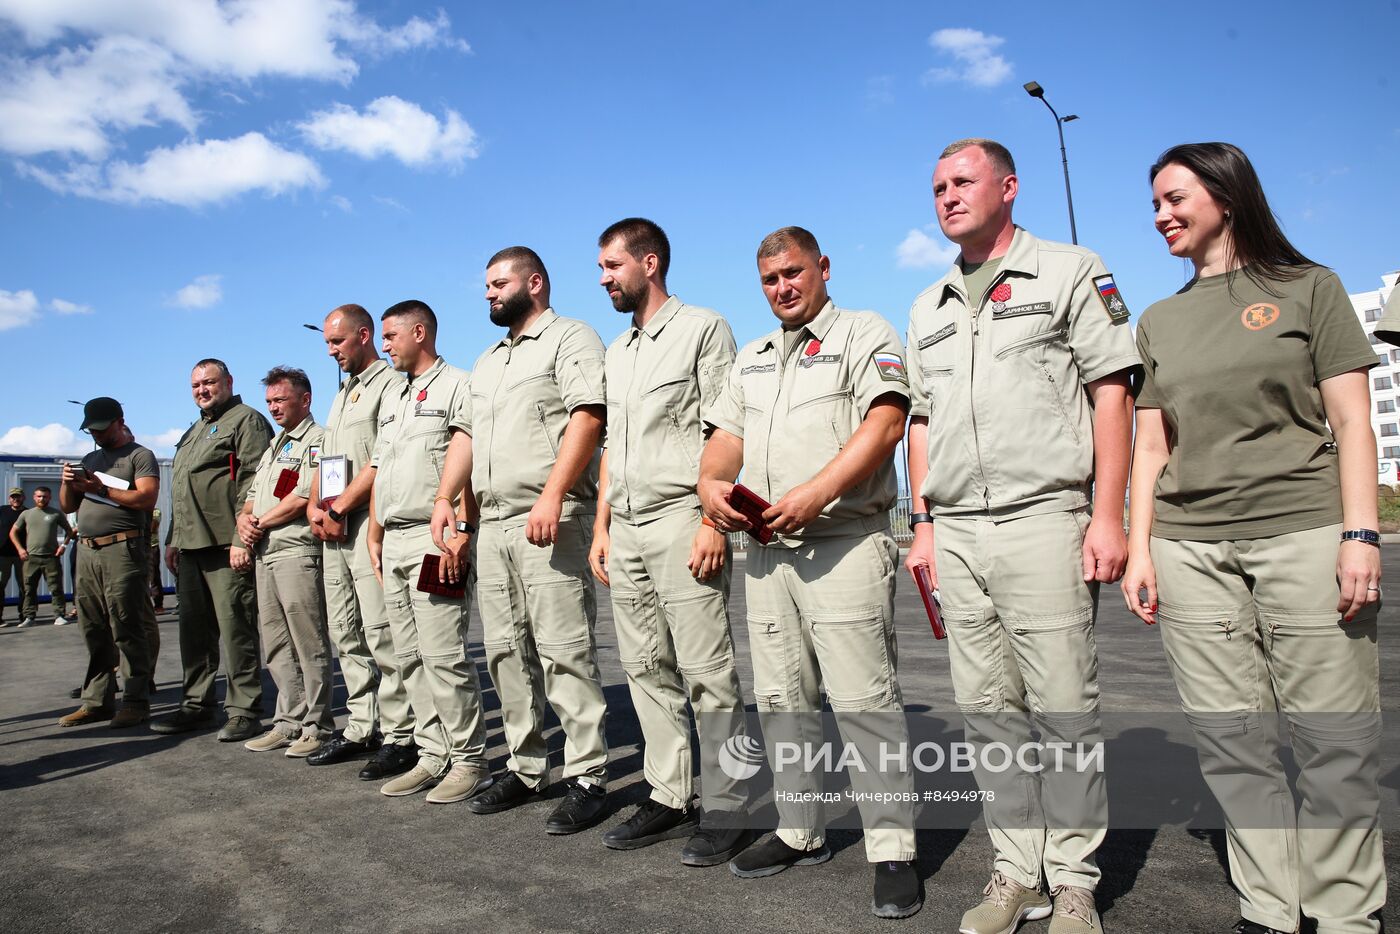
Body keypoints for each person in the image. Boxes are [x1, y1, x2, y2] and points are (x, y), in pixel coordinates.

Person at [1122, 142, 1387, 934]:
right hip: (1191, 549)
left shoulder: (1310, 288)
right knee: (1232, 743)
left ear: (1226, 196)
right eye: (1156, 204)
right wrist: (1141, 547)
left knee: (1332, 739)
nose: (1161, 215)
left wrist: (1361, 533)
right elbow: (1152, 447)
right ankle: (1270, 909)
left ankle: (1344, 915)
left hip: (1305, 534)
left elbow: (1351, 420)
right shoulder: (1160, 318)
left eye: (1175, 198)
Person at [904, 138, 1136, 934]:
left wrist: (1109, 515)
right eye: (937, 186)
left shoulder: (1069, 270)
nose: (946, 196)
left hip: (1046, 519)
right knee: (989, 712)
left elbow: (1113, 395)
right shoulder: (927, 303)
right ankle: (1015, 874)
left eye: (961, 181)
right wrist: (924, 523)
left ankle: (1074, 883)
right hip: (958, 530)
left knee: (1064, 709)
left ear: (1008, 186)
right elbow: (922, 423)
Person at [699, 226, 921, 919]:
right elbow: (724, 441)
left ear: (823, 268)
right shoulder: (753, 357)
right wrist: (709, 487)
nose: (782, 288)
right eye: (769, 280)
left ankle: (893, 854)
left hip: (842, 542)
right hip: (765, 552)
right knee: (783, 698)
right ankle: (799, 830)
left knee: (864, 703)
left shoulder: (863, 332)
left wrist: (815, 493)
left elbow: (884, 425)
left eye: (793, 273)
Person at [588, 218, 750, 863]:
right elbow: (611, 448)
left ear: (649, 263)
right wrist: (601, 526)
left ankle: (734, 802)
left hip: (683, 518)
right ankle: (668, 792)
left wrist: (713, 522)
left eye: (612, 266)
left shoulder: (702, 329)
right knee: (645, 667)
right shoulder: (617, 350)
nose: (603, 279)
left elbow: (726, 430)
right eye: (601, 269)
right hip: (625, 525)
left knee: (707, 670)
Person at [450, 246, 612, 835]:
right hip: (493, 524)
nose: (489, 293)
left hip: (551, 516)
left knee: (562, 648)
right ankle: (525, 767)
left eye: (498, 283)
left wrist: (553, 493)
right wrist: (450, 504)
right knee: (504, 650)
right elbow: (465, 437)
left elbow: (588, 417)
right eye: (486, 285)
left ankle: (588, 775)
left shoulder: (571, 338)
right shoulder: (488, 360)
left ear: (534, 282)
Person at [367, 300, 492, 804]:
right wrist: (374, 533)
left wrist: (462, 529)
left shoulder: (457, 385)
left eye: (391, 335)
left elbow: (466, 460)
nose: (384, 345)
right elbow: (381, 469)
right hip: (394, 537)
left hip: (434, 537)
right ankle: (431, 753)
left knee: (444, 655)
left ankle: (467, 759)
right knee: (409, 658)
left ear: (419, 332)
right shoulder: (393, 397)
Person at [306, 304, 418, 780]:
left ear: (365, 335)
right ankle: (361, 726)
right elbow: (326, 460)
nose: (331, 351)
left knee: (381, 632)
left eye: (337, 342)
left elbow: (382, 460)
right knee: (345, 631)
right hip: (333, 529)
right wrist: (316, 506)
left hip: (367, 526)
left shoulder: (389, 385)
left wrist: (338, 508)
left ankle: (401, 734)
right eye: (327, 344)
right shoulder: (341, 395)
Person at [152, 359, 272, 741]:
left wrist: (242, 538)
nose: (202, 389)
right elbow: (181, 489)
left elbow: (256, 481)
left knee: (236, 627)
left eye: (209, 382)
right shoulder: (194, 430)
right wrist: (173, 539)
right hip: (191, 546)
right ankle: (196, 705)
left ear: (229, 382)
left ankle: (244, 709)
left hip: (225, 545)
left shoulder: (245, 420)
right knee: (195, 632)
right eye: (195, 385)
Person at [236, 367, 333, 758]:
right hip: (266, 553)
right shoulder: (274, 447)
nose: (274, 408)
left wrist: (256, 523)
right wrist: (244, 520)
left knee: (309, 642)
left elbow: (306, 496)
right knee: (276, 643)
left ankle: (318, 724)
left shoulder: (321, 441)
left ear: (305, 399)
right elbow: (252, 496)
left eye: (281, 400)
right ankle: (288, 721)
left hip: (297, 551)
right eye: (270, 402)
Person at [54, 397, 159, 728]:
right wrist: (69, 484)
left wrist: (103, 489)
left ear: (119, 421)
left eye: (102, 428)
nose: (97, 435)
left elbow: (146, 498)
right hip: (87, 551)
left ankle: (135, 700)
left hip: (121, 549)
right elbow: (69, 505)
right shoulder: (90, 458)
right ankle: (97, 701)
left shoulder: (139, 456)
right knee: (93, 628)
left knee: (127, 625)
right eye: (91, 430)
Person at [8, 486, 73, 626]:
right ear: (34, 497)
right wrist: (20, 549)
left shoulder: (56, 514)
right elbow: (13, 532)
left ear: (49, 498)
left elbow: (70, 531)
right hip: (31, 558)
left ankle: (59, 615)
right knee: (28, 589)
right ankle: (29, 617)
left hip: (51, 557)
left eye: (45, 496)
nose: (42, 499)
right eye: (39, 496)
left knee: (55, 587)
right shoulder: (26, 514)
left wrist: (64, 546)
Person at [0, 488, 24, 626]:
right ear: (9, 499)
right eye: (13, 497)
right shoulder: (2, 511)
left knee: (24, 586)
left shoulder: (27, 513)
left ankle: (24, 615)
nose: (16, 499)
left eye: (18, 497)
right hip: (3, 555)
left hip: (21, 555)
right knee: (0, 585)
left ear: (23, 498)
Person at [148, 506, 164, 612]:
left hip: (152, 547)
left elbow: (152, 528)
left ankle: (158, 605)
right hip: (139, 546)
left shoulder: (156, 511)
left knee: (154, 577)